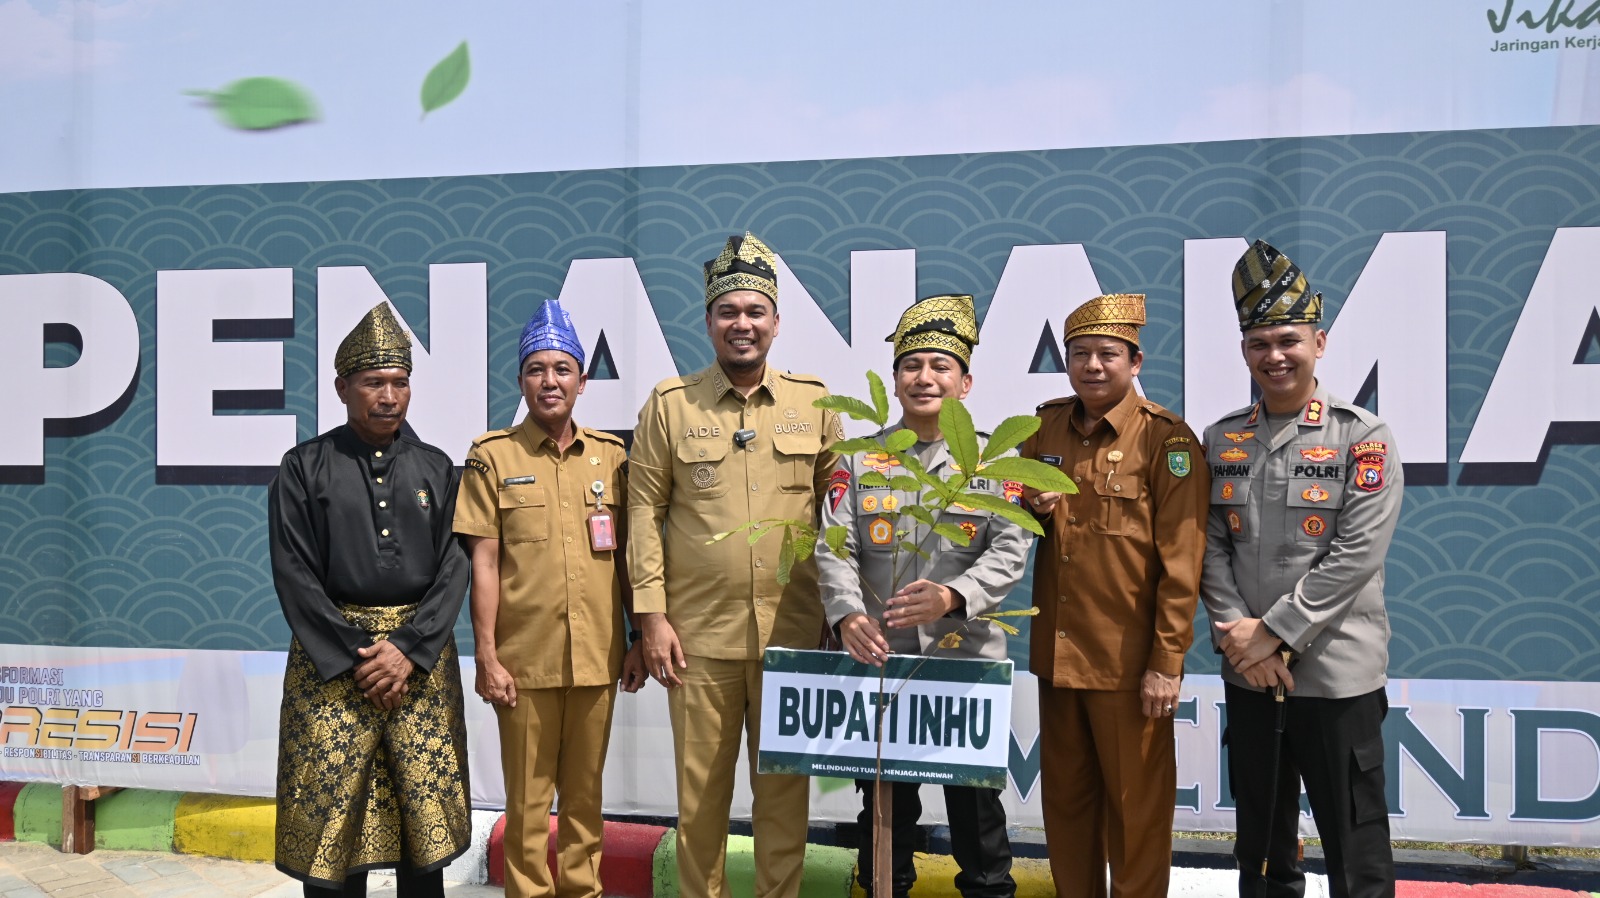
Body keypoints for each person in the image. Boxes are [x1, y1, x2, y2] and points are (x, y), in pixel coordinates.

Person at [627, 232, 843, 898]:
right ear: (709, 320)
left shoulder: (817, 402)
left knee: (784, 802)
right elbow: (641, 513)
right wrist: (651, 617)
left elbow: (843, 518)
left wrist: (842, 612)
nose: (741, 324)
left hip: (794, 634)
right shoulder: (672, 406)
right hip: (698, 639)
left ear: (776, 322)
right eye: (729, 312)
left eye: (755, 312)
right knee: (701, 806)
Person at [1200, 240, 1403, 898]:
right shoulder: (1221, 437)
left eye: (1288, 340)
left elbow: (1355, 555)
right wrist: (1237, 632)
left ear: (1319, 341)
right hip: (1250, 673)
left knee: (1356, 843)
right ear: (1244, 352)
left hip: (1335, 671)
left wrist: (1273, 633)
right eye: (1260, 343)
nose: (1275, 356)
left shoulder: (1362, 436)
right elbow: (1207, 543)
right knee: (1260, 844)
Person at [817, 294, 1028, 898]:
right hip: (882, 663)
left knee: (978, 815)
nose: (925, 377)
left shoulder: (995, 461)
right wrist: (847, 613)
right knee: (884, 815)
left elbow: (1010, 552)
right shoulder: (859, 461)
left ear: (965, 381)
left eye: (940, 365)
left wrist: (953, 596)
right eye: (912, 365)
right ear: (895, 379)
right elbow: (833, 546)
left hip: (964, 666)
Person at [269, 302, 471, 898]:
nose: (389, 396)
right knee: (333, 843)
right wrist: (360, 653)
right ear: (342, 388)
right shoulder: (304, 467)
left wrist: (408, 648)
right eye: (374, 382)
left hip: (421, 665)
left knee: (421, 843)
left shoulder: (437, 468)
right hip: (331, 668)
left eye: (400, 382)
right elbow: (294, 572)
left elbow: (454, 566)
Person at [453, 299, 647, 898]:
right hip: (524, 661)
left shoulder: (611, 458)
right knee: (529, 806)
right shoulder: (492, 457)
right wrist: (487, 654)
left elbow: (629, 561)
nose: (550, 381)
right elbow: (483, 561)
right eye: (537, 369)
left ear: (583, 381)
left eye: (563, 369)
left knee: (586, 801)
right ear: (520, 381)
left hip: (597, 657)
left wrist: (637, 637)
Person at [1020, 293, 1210, 898]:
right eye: (1080, 354)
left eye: (1107, 354)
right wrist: (1027, 507)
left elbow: (1182, 566)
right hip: (1059, 658)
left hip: (1129, 669)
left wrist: (1166, 663)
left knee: (1136, 818)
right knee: (1068, 812)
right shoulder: (1042, 427)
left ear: (1135, 361)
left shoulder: (1167, 441)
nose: (1093, 366)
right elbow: (1010, 524)